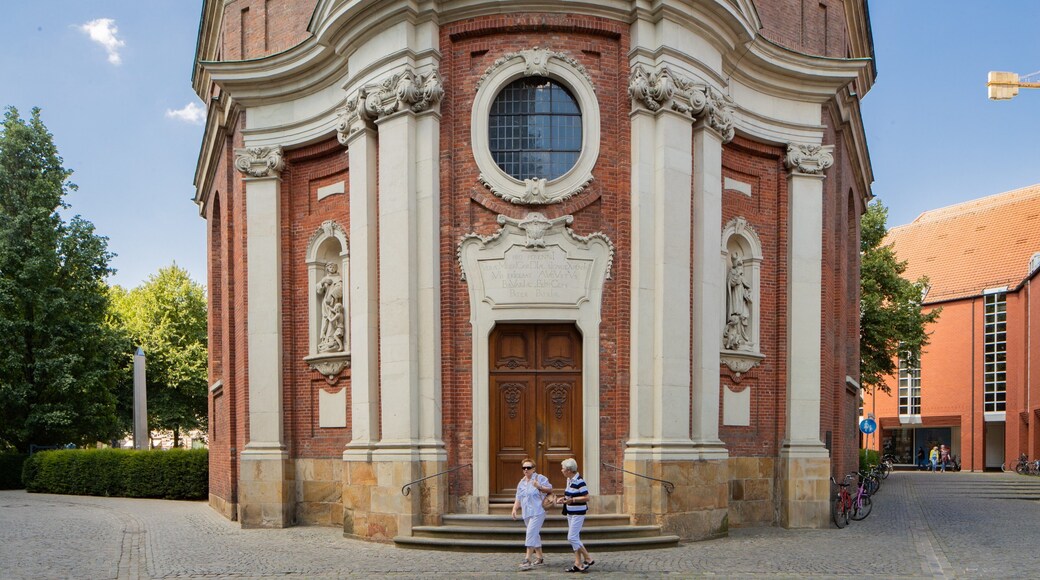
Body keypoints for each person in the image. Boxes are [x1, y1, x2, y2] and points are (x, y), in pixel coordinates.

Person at [511, 458, 551, 571]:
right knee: (534, 533)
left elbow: (550, 489)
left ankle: (527, 559)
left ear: (533, 469)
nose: (526, 470)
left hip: (538, 511)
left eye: (528, 467)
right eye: (524, 468)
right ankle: (540, 557)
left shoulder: (540, 478)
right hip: (526, 512)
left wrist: (539, 486)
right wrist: (514, 509)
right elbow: (518, 497)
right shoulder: (521, 482)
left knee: (530, 533)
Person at [557, 458, 594, 573]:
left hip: (578, 512)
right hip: (570, 511)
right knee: (575, 538)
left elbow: (587, 497)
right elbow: (569, 495)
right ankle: (578, 563)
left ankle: (588, 557)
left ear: (568, 470)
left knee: (571, 537)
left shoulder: (579, 481)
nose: (561, 470)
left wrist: (572, 500)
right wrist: (563, 499)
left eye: (563, 468)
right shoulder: (569, 480)